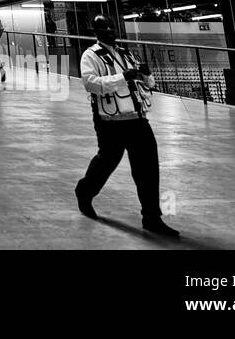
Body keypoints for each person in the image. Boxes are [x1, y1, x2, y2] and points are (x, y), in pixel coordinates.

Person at [75, 15, 178, 237]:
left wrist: (147, 76)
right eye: (104, 27)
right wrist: (123, 76)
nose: (110, 30)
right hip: (110, 122)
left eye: (113, 27)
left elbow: (147, 83)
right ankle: (84, 192)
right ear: (96, 30)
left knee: (148, 169)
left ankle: (151, 217)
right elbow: (91, 84)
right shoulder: (90, 55)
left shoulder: (126, 53)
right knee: (107, 161)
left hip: (138, 119)